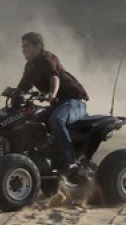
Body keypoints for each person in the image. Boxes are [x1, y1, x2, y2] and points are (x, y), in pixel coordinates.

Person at [16, 32, 89, 173]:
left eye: (27, 46)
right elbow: (23, 87)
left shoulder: (47, 58)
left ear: (39, 47)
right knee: (32, 122)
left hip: (75, 101)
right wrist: (15, 94)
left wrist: (52, 93)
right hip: (59, 104)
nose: (23, 50)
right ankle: (40, 160)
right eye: (22, 47)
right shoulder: (30, 66)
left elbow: (54, 77)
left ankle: (72, 162)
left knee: (56, 119)